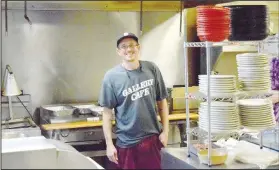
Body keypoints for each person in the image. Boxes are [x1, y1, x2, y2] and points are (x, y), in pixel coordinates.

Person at [98, 32, 169, 169]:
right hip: (126, 143)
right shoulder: (111, 77)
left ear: (138, 47)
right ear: (118, 51)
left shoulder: (151, 68)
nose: (129, 49)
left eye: (132, 45)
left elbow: (162, 101)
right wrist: (109, 144)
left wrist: (165, 131)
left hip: (152, 140)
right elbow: (107, 113)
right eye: (124, 46)